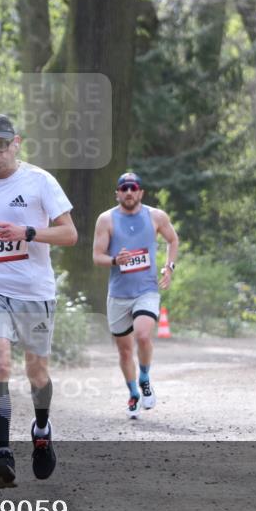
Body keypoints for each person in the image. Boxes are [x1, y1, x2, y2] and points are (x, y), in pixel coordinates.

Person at [0, 114, 77, 488]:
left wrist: (27, 231)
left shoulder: (40, 182)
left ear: (17, 142)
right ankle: (3, 453)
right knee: (1, 365)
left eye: (1, 145)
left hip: (35, 292)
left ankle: (41, 429)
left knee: (36, 372)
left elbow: (69, 234)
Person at [91, 172, 179, 419]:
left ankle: (144, 377)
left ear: (141, 192)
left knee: (142, 335)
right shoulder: (106, 220)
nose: (129, 192)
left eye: (133, 187)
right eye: (124, 188)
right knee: (124, 351)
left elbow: (173, 240)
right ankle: (133, 392)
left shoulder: (156, 216)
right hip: (118, 294)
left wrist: (169, 268)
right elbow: (97, 256)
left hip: (146, 290)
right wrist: (114, 260)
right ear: (117, 193)